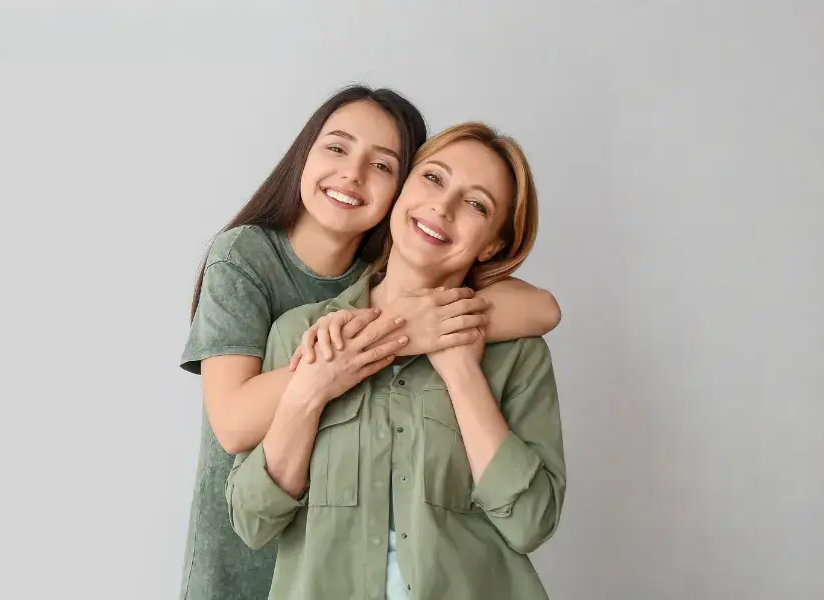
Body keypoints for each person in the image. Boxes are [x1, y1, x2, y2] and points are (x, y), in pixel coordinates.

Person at [177, 85, 563, 600]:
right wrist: (337, 367)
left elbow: (544, 308)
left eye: (474, 204)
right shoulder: (264, 283)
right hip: (238, 570)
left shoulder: (511, 346)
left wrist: (456, 360)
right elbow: (234, 438)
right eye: (432, 179)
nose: (353, 176)